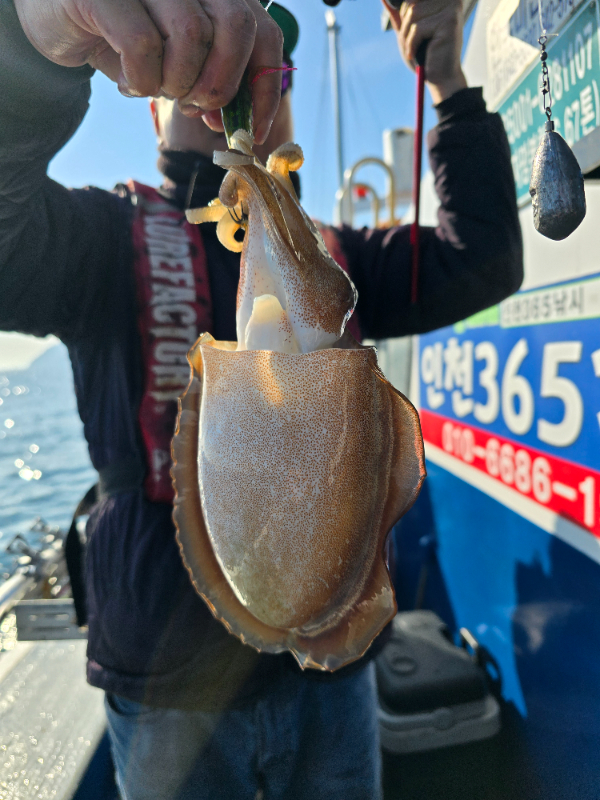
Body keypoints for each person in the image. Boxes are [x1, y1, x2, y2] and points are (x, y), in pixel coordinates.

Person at [0, 0, 523, 797]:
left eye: (265, 77)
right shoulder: (103, 237)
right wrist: (31, 41)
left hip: (330, 676)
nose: (234, 91)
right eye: (199, 63)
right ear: (153, 111)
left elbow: (480, 257)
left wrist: (449, 86)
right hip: (166, 682)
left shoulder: (338, 266)